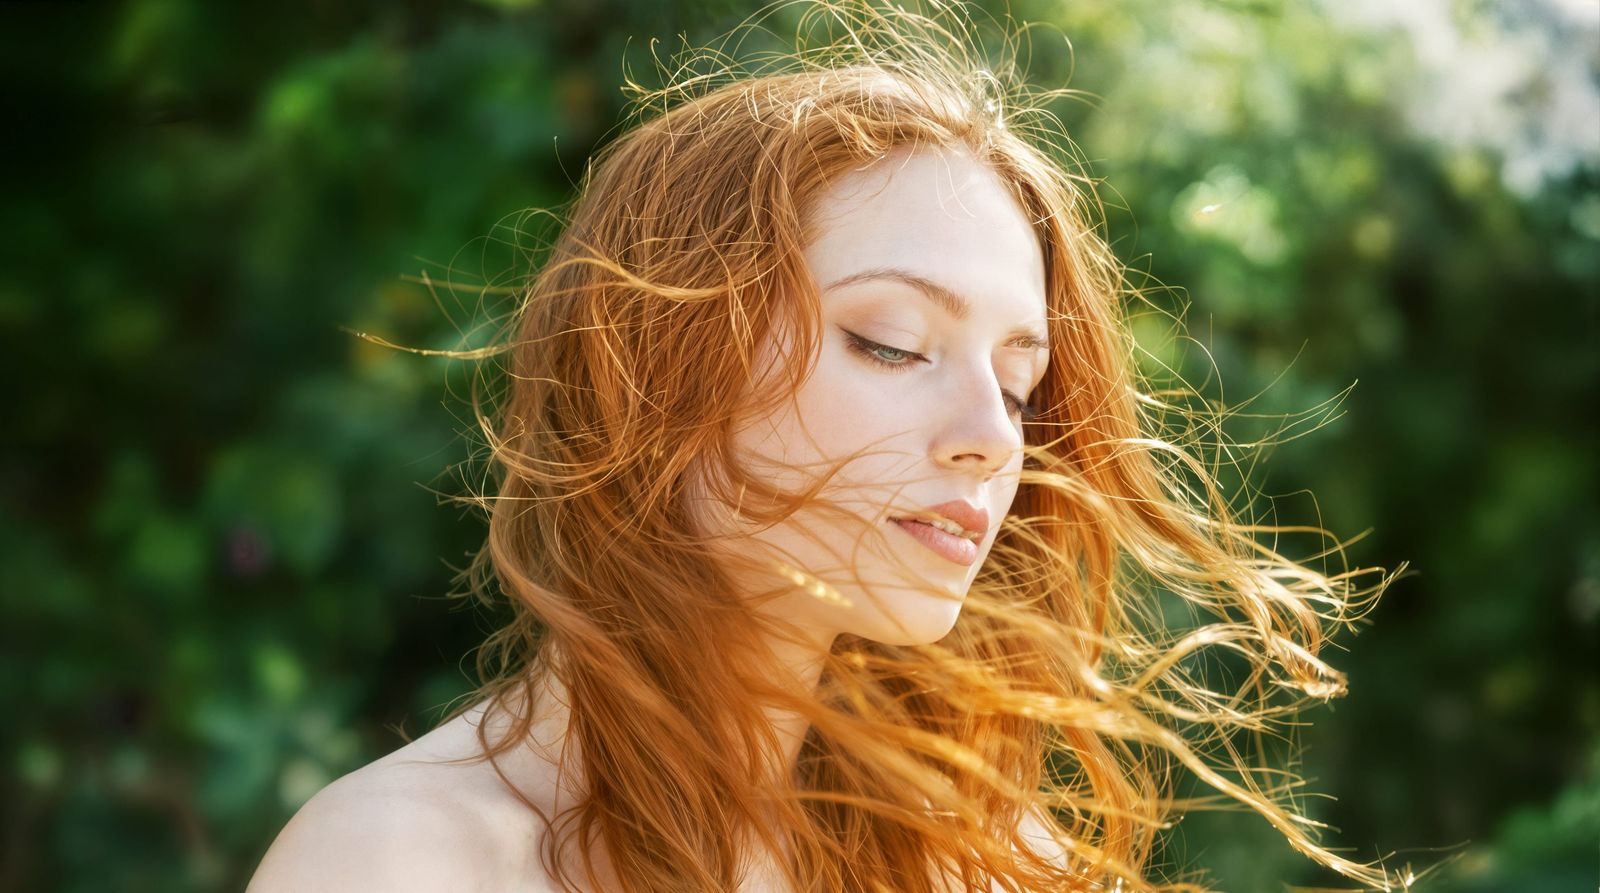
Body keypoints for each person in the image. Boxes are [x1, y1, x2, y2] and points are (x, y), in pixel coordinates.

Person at [248, 2, 1405, 891]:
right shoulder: (404, 859)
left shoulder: (990, 862)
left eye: (1019, 385)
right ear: (650, 359)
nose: (989, 439)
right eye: (890, 342)